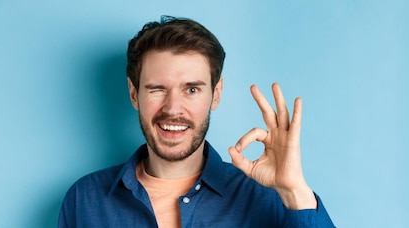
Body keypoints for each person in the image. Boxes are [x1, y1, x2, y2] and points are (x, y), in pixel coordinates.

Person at [58, 16, 334, 227]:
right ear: (134, 94)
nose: (173, 108)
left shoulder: (267, 197)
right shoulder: (85, 200)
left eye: (191, 89)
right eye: (157, 89)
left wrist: (295, 191)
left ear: (215, 95)